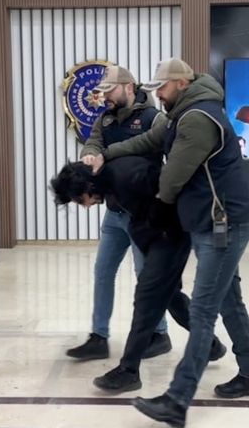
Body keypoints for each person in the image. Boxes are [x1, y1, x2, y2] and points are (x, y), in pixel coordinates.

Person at [86, 58, 249, 427]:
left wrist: (152, 210)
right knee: (229, 301)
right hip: (208, 220)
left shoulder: (198, 118)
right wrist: (105, 154)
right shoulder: (179, 114)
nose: (158, 94)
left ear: (182, 83)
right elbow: (147, 140)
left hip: (221, 222)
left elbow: (172, 178)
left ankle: (178, 399)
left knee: (202, 310)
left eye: (162, 87)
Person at [50, 158, 227, 393]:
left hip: (170, 235)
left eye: (80, 200)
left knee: (146, 298)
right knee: (170, 297)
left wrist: (158, 256)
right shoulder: (113, 183)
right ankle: (211, 345)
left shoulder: (126, 178)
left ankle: (128, 371)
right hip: (164, 236)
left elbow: (161, 208)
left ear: (87, 187)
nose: (85, 206)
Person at [66, 64, 172, 361]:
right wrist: (89, 153)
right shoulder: (106, 119)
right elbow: (94, 141)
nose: (104, 97)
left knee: (145, 276)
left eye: (109, 91)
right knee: (103, 272)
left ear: (128, 87)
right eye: (102, 92)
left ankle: (159, 334)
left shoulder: (153, 119)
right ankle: (99, 337)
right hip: (114, 212)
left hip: (143, 214)